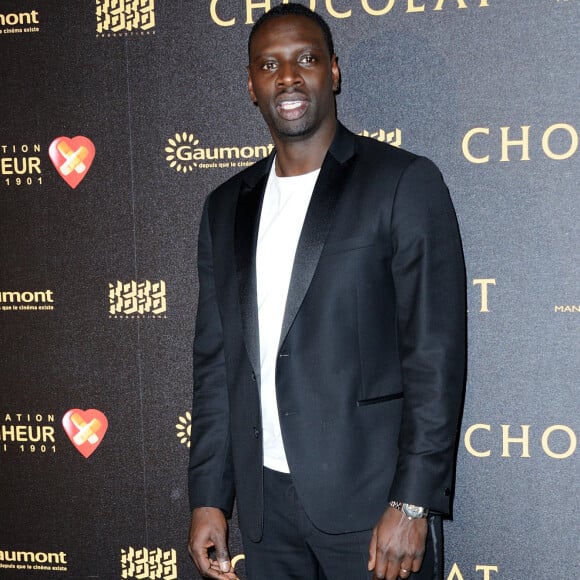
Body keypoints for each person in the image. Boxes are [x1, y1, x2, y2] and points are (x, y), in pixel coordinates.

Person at [187, 4, 466, 580]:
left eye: (305, 60)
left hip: (372, 508)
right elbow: (217, 366)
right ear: (251, 84)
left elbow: (434, 357)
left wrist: (412, 503)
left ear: (333, 72)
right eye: (269, 64)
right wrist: (210, 496)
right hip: (266, 514)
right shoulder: (223, 207)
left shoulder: (402, 182)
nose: (287, 78)